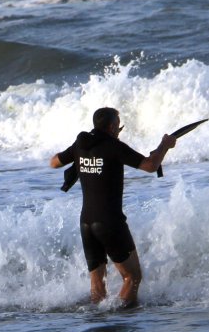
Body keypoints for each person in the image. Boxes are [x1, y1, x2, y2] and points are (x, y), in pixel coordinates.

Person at [49, 107, 176, 307]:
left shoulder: (80, 145)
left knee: (97, 282)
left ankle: (99, 326)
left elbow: (54, 162)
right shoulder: (114, 147)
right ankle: (120, 322)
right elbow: (151, 165)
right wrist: (165, 145)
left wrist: (81, 158)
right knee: (132, 277)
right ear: (111, 126)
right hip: (109, 222)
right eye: (118, 124)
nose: (119, 128)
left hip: (86, 223)